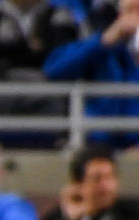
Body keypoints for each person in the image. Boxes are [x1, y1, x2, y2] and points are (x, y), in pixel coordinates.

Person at [43, 0, 139, 149]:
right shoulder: (103, 44)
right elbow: (54, 70)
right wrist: (103, 42)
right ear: (120, 14)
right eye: (131, 11)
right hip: (99, 140)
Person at [41, 143, 139, 220]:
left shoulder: (132, 215)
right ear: (79, 183)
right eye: (97, 179)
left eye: (110, 177)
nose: (105, 186)